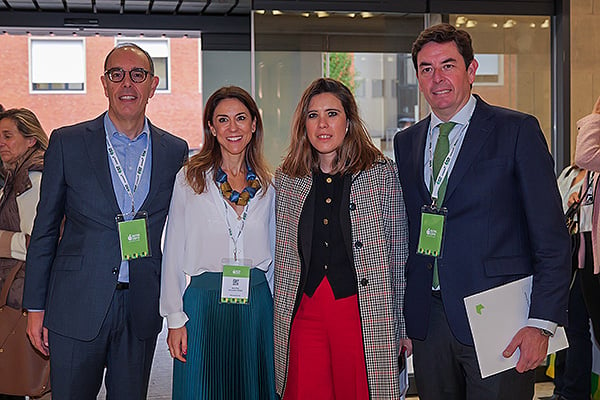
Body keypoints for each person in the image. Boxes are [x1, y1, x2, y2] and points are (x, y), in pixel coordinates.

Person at [394, 23, 570, 399]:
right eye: (427, 69)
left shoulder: (516, 131)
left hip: (500, 321)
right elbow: (410, 233)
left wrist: (541, 324)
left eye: (448, 65)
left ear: (471, 70)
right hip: (431, 322)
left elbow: (552, 236)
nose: (437, 78)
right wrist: (408, 317)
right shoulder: (406, 142)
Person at [22, 43, 188, 399]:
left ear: (152, 84)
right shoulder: (67, 142)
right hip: (75, 304)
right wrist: (35, 307)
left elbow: (186, 227)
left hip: (141, 306)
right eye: (117, 74)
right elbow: (45, 230)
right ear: (104, 83)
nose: (127, 83)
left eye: (137, 75)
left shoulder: (175, 150)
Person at [274, 77, 410, 400]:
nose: (322, 124)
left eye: (332, 114)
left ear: (348, 121)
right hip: (305, 313)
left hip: (361, 312)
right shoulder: (288, 179)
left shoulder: (380, 173)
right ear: (303, 124)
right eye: (313, 115)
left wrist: (403, 326)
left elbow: (399, 252)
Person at [160, 86, 277, 400]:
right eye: (223, 120)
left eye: (241, 118)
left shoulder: (269, 185)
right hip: (204, 306)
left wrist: (278, 316)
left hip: (257, 307)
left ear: (254, 124)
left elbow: (277, 255)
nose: (233, 128)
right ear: (211, 128)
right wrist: (174, 318)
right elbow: (171, 252)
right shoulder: (189, 179)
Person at [0, 108, 48, 400]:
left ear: (30, 140)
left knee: (23, 377)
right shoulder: (17, 174)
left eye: (8, 136)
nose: (1, 142)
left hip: (23, 294)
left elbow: (38, 244)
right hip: (22, 290)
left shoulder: (32, 178)